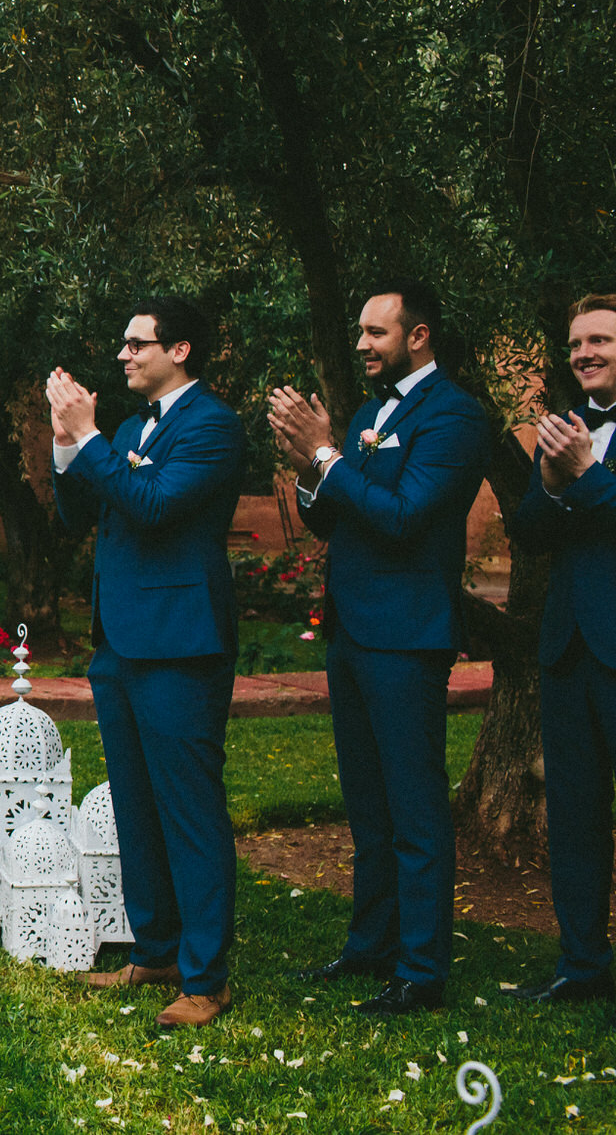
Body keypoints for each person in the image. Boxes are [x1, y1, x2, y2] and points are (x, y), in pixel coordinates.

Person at [269, 280, 488, 1015]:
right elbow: (339, 519)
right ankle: (370, 945)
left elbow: (403, 517)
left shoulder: (455, 416)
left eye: (376, 332)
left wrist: (327, 452)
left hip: (407, 636)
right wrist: (310, 470)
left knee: (415, 808)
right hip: (352, 629)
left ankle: (421, 969)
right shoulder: (368, 415)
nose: (361, 344)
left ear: (418, 336)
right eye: (360, 331)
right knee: (367, 806)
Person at [46, 298, 245, 1030]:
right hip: (120, 642)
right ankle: (156, 948)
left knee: (189, 811)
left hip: (182, 643)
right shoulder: (130, 430)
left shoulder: (213, 426)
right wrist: (66, 444)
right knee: (137, 805)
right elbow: (80, 514)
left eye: (137, 343)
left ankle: (207, 975)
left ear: (180, 349)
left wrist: (90, 436)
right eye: (124, 343)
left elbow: (156, 504)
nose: (123, 354)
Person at [508, 294, 616, 1005]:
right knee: (575, 814)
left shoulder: (582, 443)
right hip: (569, 649)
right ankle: (581, 966)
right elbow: (528, 532)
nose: (584, 354)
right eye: (576, 343)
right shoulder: (568, 427)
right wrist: (549, 484)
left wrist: (589, 472)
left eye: (599, 340)